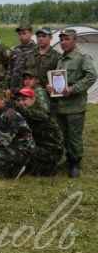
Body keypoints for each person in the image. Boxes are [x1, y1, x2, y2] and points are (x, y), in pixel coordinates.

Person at [47, 28, 97, 178]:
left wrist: (73, 89)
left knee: (74, 136)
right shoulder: (61, 60)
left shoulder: (82, 57)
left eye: (66, 39)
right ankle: (69, 159)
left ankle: (75, 163)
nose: (63, 42)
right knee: (64, 135)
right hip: (61, 105)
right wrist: (51, 87)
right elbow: (57, 80)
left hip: (75, 105)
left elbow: (92, 76)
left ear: (75, 40)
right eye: (61, 40)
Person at [15, 87, 63, 176]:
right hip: (38, 145)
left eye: (24, 99)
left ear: (33, 98)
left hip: (51, 150)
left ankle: (47, 165)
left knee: (21, 147)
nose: (21, 103)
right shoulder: (25, 111)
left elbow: (32, 114)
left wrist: (15, 105)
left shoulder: (40, 111)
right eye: (19, 100)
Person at [7, 23, 37, 95]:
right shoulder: (15, 50)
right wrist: (7, 87)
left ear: (30, 33)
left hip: (27, 89)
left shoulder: (36, 49)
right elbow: (9, 70)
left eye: (24, 33)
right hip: (14, 88)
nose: (21, 36)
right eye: (19, 34)